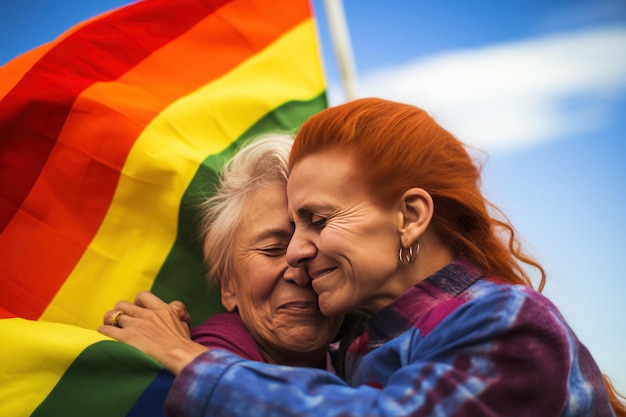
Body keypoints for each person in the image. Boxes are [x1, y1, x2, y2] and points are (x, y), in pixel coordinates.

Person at [111, 99, 625, 417]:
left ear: (410, 216)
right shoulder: (362, 347)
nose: (297, 252)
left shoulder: (509, 322)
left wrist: (191, 361)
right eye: (275, 244)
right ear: (226, 285)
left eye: (318, 219)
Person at [98, 134, 343, 375]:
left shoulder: (368, 347)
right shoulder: (180, 373)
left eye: (317, 247)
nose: (299, 274)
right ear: (228, 286)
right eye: (272, 249)